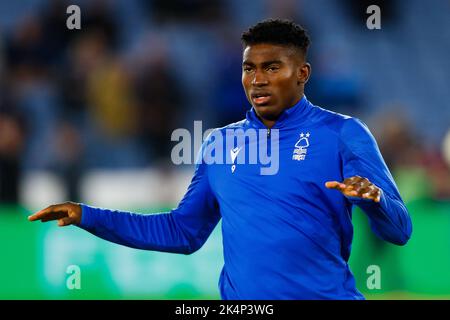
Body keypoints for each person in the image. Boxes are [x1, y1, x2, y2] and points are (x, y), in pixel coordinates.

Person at [28, 19, 412, 299]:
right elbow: (182, 232)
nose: (257, 79)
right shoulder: (219, 144)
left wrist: (374, 199)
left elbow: (400, 230)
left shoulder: (344, 133)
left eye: (272, 67)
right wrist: (87, 215)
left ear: (302, 74)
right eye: (250, 68)